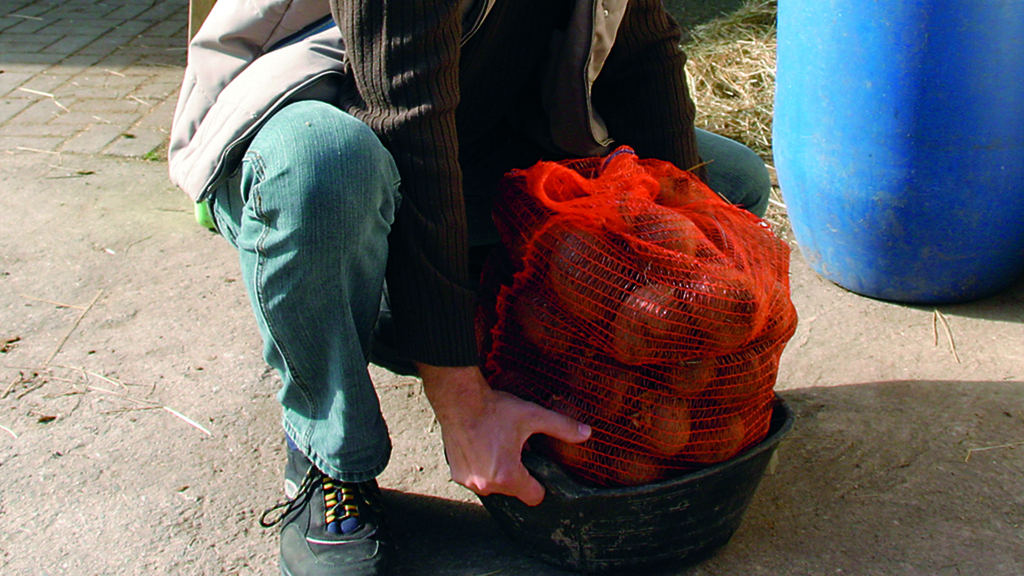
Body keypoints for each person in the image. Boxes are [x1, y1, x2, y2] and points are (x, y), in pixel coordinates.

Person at [169, 0, 772, 574]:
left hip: (472, 119)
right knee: (325, 174)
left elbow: (642, 52)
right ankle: (329, 452)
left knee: (730, 186)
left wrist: (691, 267)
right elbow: (408, 124)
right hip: (323, 110)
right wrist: (462, 406)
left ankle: (474, 340)